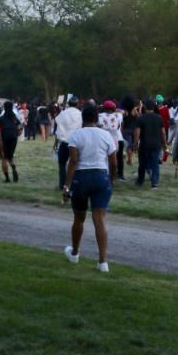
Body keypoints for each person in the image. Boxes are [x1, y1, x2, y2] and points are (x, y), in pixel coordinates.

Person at [62, 103, 118, 272]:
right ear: (97, 118)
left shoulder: (76, 136)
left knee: (79, 219)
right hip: (101, 177)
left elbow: (73, 162)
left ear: (83, 118)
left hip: (82, 177)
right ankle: (102, 262)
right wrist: (111, 180)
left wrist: (66, 186)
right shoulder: (106, 136)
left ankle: (75, 253)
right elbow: (113, 162)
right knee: (99, 219)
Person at [53, 98, 83, 191]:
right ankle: (74, 183)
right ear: (77, 104)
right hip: (77, 143)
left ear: (68, 104)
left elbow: (58, 129)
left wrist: (56, 142)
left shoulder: (63, 113)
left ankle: (62, 184)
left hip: (65, 142)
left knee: (62, 164)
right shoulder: (80, 114)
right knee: (75, 163)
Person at [134, 98, 164, 188]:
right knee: (155, 164)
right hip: (156, 144)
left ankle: (140, 181)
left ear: (145, 107)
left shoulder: (141, 118)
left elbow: (137, 133)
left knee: (142, 164)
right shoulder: (159, 118)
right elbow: (163, 132)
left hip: (144, 144)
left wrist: (135, 144)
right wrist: (165, 143)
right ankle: (154, 182)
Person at [98, 100, 127, 184]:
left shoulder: (99, 116)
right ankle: (113, 178)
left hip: (103, 140)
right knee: (114, 161)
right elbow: (122, 114)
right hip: (115, 141)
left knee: (104, 160)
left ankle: (104, 176)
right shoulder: (118, 116)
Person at [0, 101, 21, 182]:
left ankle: (7, 178)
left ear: (4, 108)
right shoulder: (15, 118)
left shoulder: (1, 119)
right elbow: (20, 128)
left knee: (3, 157)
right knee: (10, 155)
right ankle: (13, 166)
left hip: (4, 138)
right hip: (13, 138)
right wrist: (16, 134)